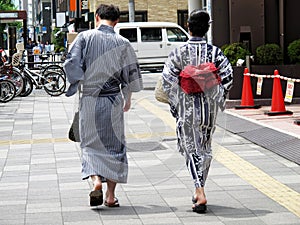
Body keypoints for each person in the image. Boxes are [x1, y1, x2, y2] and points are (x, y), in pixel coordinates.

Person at [63, 4, 143, 207]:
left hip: (89, 98)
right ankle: (110, 196)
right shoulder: (123, 42)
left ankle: (95, 180)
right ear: (117, 21)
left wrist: (79, 82)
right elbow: (131, 73)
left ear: (97, 17)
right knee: (114, 147)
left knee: (89, 145)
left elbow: (71, 62)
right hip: (112, 99)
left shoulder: (84, 37)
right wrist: (128, 97)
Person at [161, 10, 233, 213]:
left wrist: (176, 101)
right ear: (207, 29)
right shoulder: (215, 53)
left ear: (188, 26)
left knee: (191, 148)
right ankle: (199, 188)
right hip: (209, 109)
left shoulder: (178, 52)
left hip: (187, 107)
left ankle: (199, 189)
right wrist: (216, 94)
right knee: (205, 148)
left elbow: (167, 80)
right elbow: (227, 77)